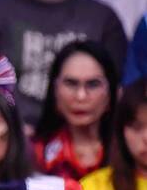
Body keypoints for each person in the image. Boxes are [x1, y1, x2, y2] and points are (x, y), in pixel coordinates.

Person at [33, 40, 119, 180]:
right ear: (54, 90)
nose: (81, 96)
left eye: (93, 84)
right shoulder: (35, 154)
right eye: (71, 84)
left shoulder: (130, 152)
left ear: (111, 93)